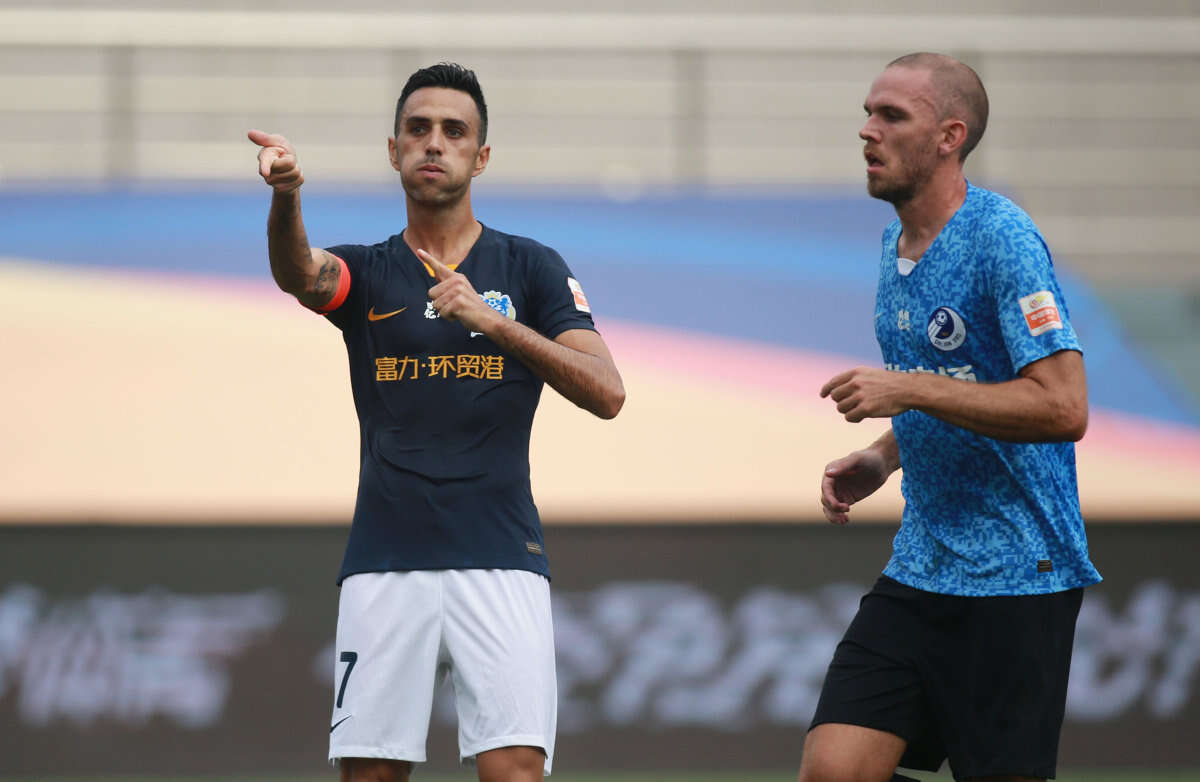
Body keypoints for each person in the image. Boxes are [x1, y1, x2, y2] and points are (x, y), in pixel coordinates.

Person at [248, 62, 624, 782]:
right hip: (385, 558)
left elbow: (607, 391)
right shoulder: (369, 271)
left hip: (501, 553)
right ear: (394, 150)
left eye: (455, 131)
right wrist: (288, 195)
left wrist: (493, 321)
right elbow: (300, 273)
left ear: (480, 157)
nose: (434, 143)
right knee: (370, 774)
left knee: (514, 770)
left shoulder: (531, 267)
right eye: (418, 129)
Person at [800, 53, 1101, 782]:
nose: (867, 131)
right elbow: (960, 381)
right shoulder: (894, 242)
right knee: (832, 771)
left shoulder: (1002, 238)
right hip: (922, 566)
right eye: (868, 113)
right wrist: (884, 455)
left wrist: (910, 391)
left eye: (892, 116)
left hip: (1020, 576)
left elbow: (1063, 405)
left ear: (949, 136)